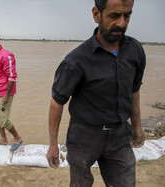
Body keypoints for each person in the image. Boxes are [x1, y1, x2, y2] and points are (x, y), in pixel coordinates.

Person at [46, 0, 146, 186]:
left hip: (119, 136)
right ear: (96, 14)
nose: (122, 23)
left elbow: (134, 90)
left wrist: (137, 125)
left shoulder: (135, 51)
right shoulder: (76, 60)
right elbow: (57, 102)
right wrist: (53, 145)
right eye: (114, 16)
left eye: (127, 15)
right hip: (84, 136)